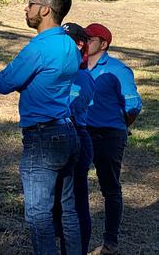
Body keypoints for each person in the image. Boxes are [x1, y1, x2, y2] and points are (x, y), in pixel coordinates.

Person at [0, 0, 81, 254]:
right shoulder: (68, 43)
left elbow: (3, 82)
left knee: (38, 214)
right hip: (68, 131)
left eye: (31, 3)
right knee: (67, 210)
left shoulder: (39, 47)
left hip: (43, 136)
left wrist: (24, 82)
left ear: (45, 10)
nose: (26, 8)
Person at [84, 23, 142, 255]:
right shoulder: (76, 66)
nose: (85, 42)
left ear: (104, 43)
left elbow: (133, 104)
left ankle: (110, 243)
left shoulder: (118, 69)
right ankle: (70, 236)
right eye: (84, 37)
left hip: (109, 135)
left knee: (110, 188)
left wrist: (121, 126)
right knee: (71, 184)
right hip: (82, 133)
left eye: (90, 38)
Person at [53, 23, 96, 254]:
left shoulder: (81, 76)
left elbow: (67, 108)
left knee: (76, 203)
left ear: (80, 45)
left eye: (67, 41)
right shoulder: (58, 71)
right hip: (52, 137)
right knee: (54, 204)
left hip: (76, 136)